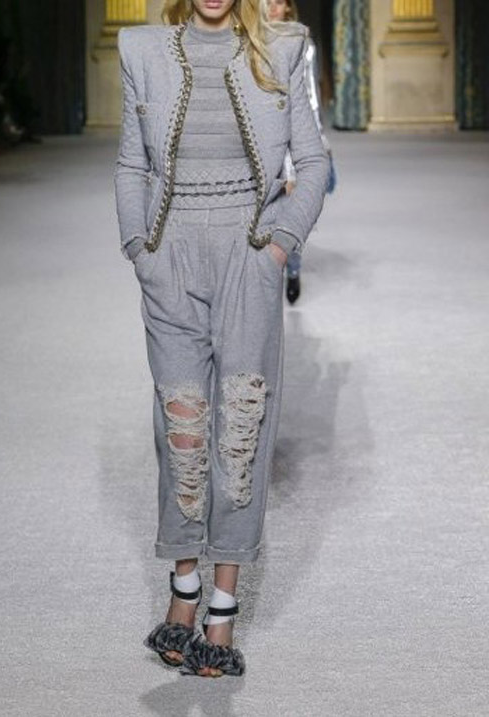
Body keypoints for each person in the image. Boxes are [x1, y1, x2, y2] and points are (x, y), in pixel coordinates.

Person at [114, 0, 329, 678]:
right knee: (181, 429)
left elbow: (313, 161)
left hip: (248, 251)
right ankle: (183, 590)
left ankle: (223, 609)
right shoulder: (142, 51)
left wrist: (279, 245)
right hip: (169, 253)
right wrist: (139, 248)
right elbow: (130, 163)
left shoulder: (281, 48)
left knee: (240, 427)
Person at [266, 0, 336, 305]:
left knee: (292, 208)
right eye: (266, 1)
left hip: (292, 132)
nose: (271, 7)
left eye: (278, 1)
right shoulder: (247, 38)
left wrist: (318, 140)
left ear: (288, 7)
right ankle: (268, 273)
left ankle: (292, 268)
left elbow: (310, 96)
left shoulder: (302, 42)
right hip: (261, 133)